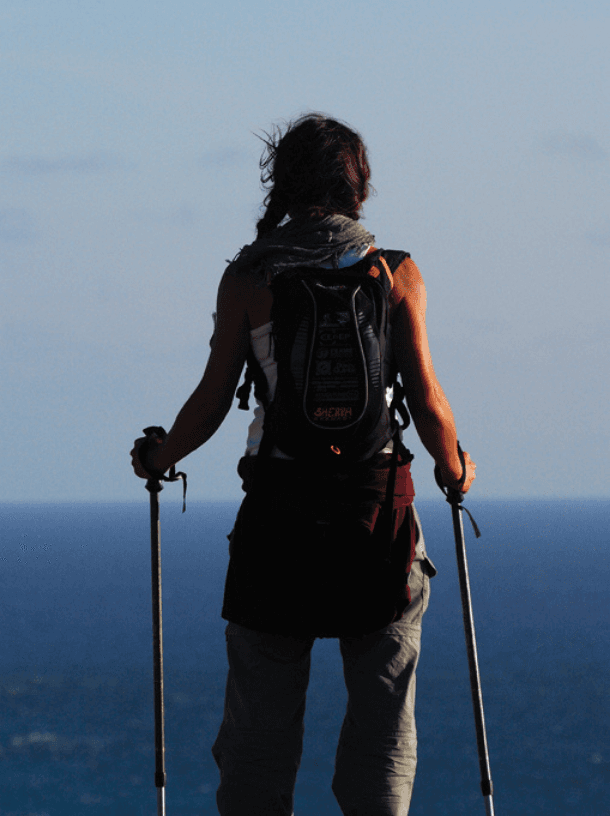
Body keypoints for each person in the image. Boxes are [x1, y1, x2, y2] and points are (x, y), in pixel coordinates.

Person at [130, 113, 475, 816]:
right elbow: (429, 401)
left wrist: (159, 457)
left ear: (281, 184)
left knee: (261, 727)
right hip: (379, 518)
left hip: (278, 525)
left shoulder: (250, 278)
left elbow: (212, 402)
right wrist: (455, 469)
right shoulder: (396, 273)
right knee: (381, 726)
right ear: (359, 187)